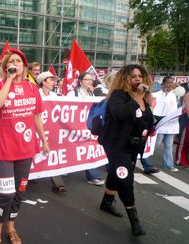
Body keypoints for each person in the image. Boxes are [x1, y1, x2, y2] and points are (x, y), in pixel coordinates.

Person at [0, 49, 50, 244]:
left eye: (19, 61)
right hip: (5, 150)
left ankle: (11, 227)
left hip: (26, 150)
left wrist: (44, 140)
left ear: (24, 66)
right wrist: (8, 80)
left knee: (20, 192)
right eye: (11, 61)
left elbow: (37, 117)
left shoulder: (33, 89)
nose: (15, 63)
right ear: (6, 66)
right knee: (6, 193)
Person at [98, 64, 153, 236]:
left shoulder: (143, 98)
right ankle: (134, 221)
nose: (138, 79)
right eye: (134, 76)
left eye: (140, 76)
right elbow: (120, 114)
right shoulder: (118, 95)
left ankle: (107, 202)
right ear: (125, 78)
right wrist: (137, 99)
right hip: (116, 145)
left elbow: (145, 120)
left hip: (132, 146)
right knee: (125, 179)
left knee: (116, 174)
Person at [67, 72, 105, 186]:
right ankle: (64, 169)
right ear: (80, 81)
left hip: (86, 127)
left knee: (88, 149)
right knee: (70, 148)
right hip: (72, 128)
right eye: (87, 79)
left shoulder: (91, 94)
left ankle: (92, 176)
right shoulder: (72, 94)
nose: (90, 81)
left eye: (91, 79)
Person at [37, 71, 67, 193]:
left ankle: (58, 183)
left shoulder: (55, 96)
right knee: (32, 156)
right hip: (37, 129)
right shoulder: (36, 95)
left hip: (51, 131)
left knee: (51, 153)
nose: (53, 82)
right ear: (43, 82)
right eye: (50, 80)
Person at [153, 76, 179, 172]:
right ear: (162, 84)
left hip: (171, 123)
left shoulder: (175, 95)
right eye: (168, 82)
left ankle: (168, 165)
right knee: (156, 142)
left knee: (168, 145)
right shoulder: (157, 95)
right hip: (161, 122)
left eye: (171, 83)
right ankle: (143, 157)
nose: (169, 84)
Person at [175, 92, 189, 167]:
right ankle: (180, 159)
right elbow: (188, 109)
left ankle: (187, 159)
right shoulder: (188, 95)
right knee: (184, 141)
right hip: (186, 119)